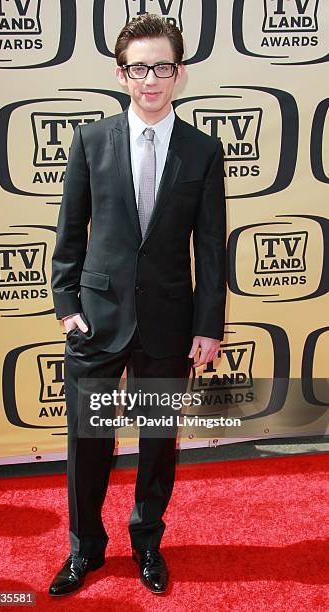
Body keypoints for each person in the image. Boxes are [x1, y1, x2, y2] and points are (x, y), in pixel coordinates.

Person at [49, 13, 226, 596]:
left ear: (180, 72)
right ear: (121, 73)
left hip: (169, 325)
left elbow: (210, 246)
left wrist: (207, 326)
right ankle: (86, 550)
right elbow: (70, 233)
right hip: (97, 324)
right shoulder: (91, 139)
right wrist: (67, 305)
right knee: (89, 445)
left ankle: (147, 542)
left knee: (157, 446)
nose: (151, 79)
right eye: (139, 68)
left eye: (162, 67)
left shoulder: (203, 150)